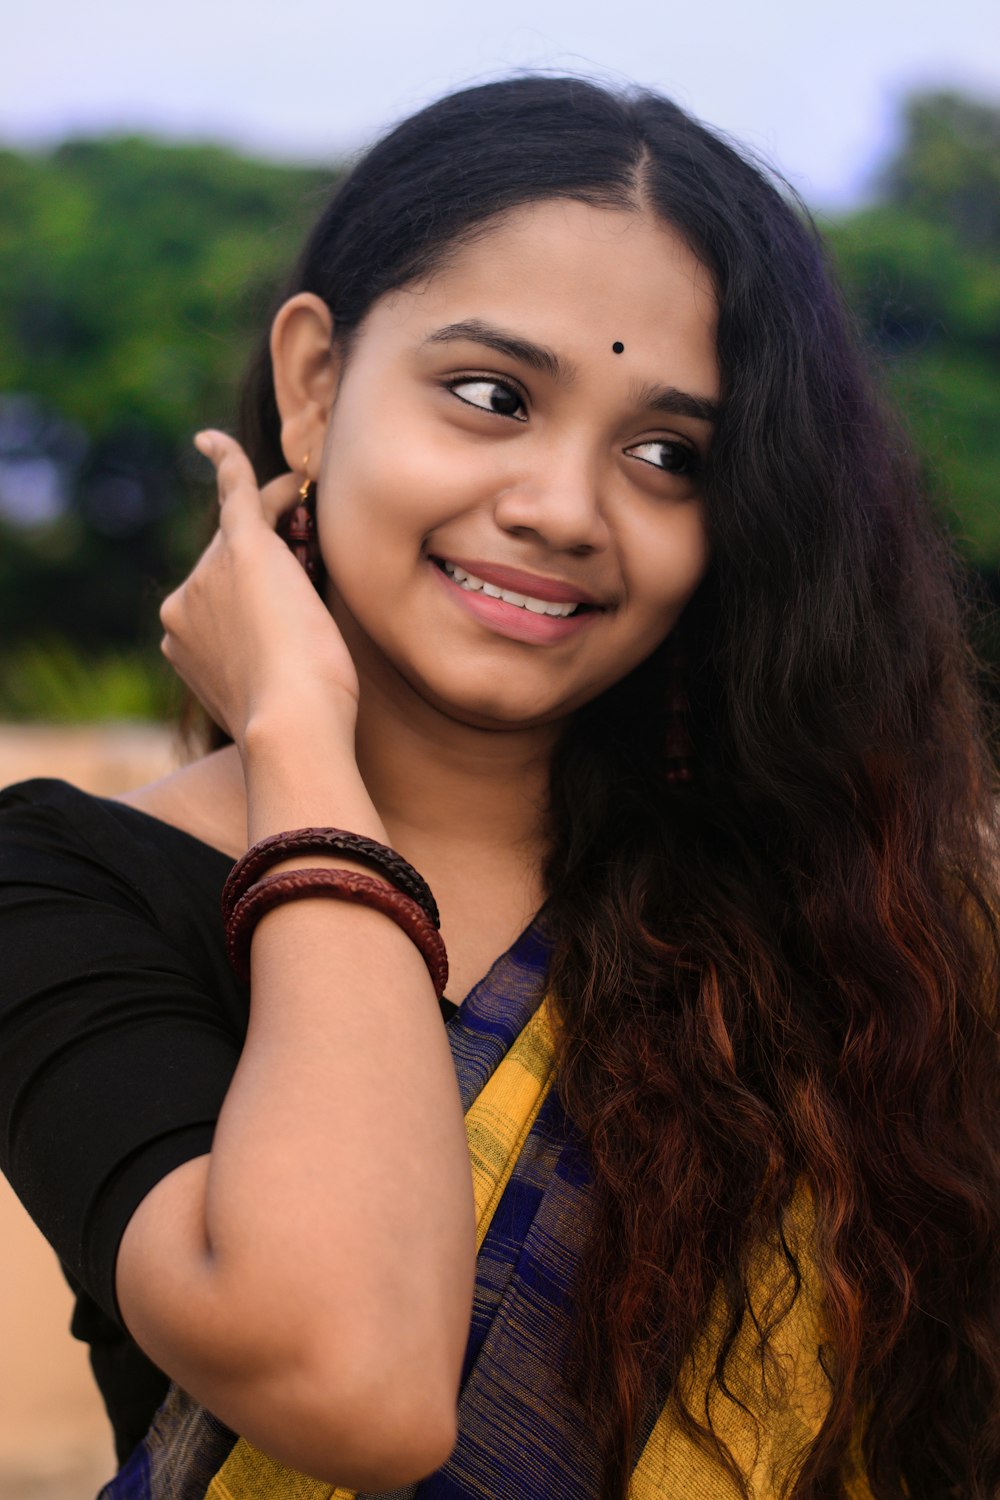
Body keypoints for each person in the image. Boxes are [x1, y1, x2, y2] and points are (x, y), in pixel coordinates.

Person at [0, 75, 997, 1500]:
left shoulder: (869, 926)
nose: (564, 507)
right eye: (491, 395)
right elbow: (353, 1386)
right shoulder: (65, 889)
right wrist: (299, 744)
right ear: (314, 386)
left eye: (668, 456)